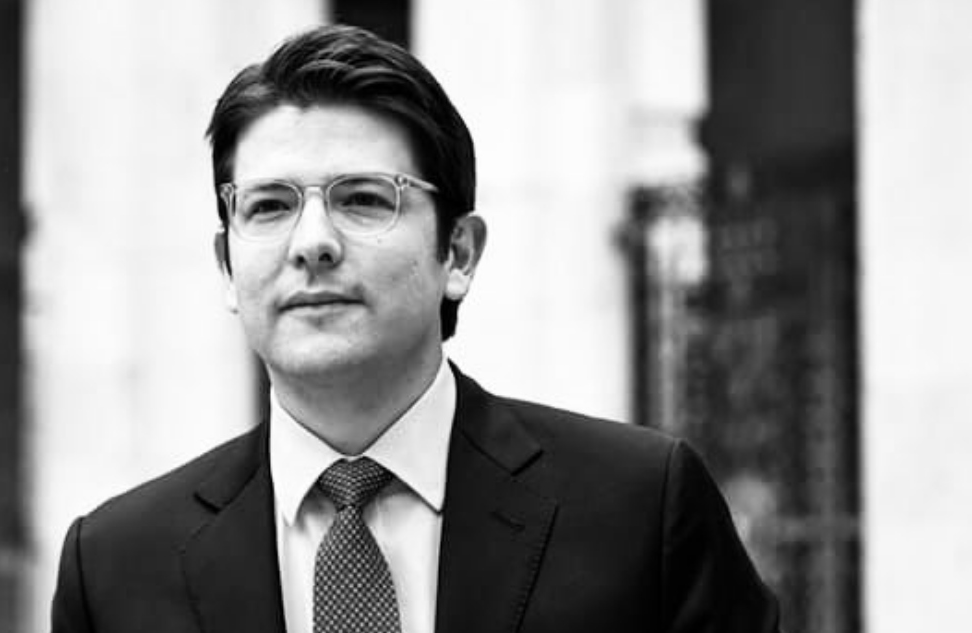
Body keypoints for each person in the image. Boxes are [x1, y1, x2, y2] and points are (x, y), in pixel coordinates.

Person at [50, 24, 780, 633]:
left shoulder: (641, 513)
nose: (313, 242)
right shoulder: (114, 567)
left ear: (457, 253)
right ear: (225, 264)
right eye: (269, 206)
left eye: (364, 199)